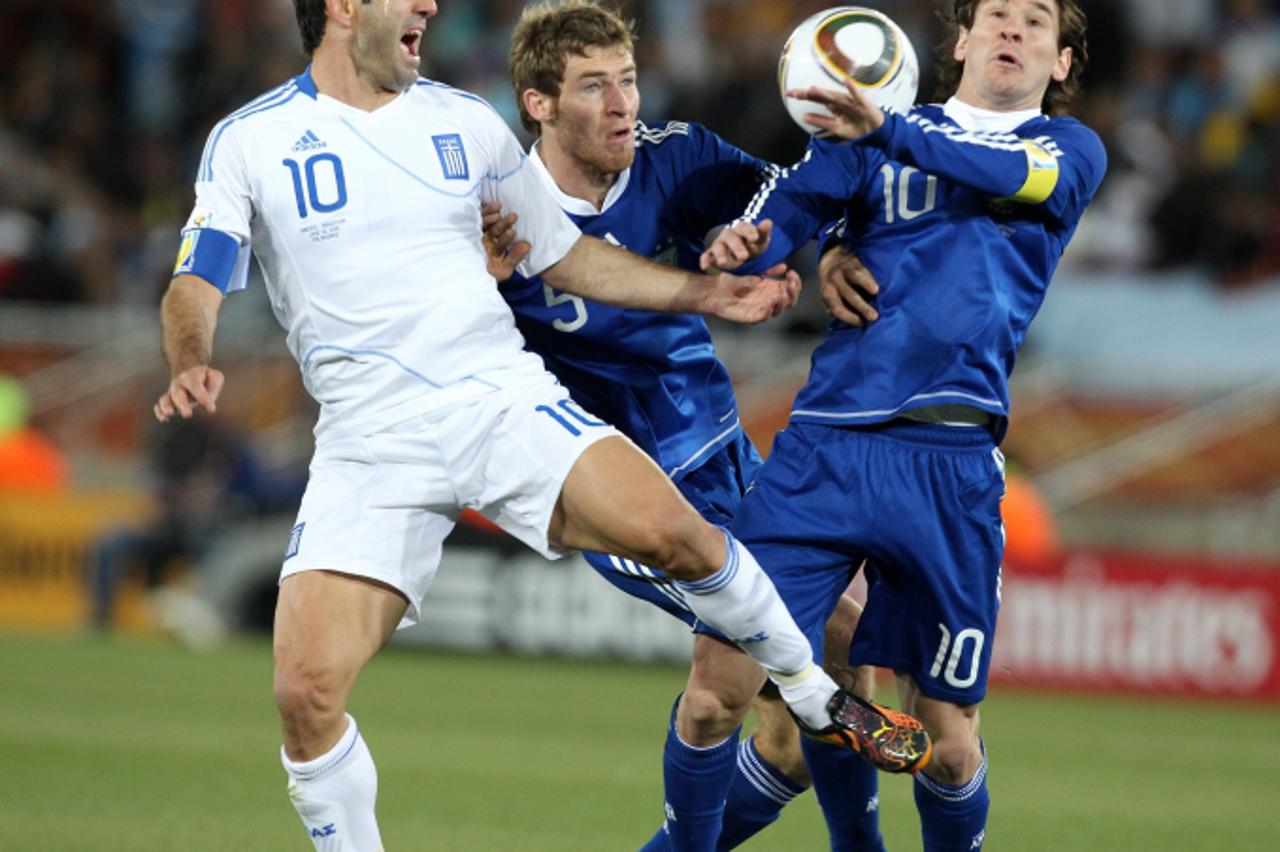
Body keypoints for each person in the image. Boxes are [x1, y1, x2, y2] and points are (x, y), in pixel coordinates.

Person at [151, 2, 927, 849]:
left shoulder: (487, 126)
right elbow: (200, 275)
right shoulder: (255, 140)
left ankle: (816, 710)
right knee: (305, 692)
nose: (429, 6)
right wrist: (190, 356)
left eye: (627, 81)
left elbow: (582, 249)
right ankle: (811, 708)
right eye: (595, 86)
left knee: (774, 668)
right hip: (382, 441)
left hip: (545, 412)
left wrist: (761, 272)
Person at [489, 4, 912, 851]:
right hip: (612, 484)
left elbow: (797, 203)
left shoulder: (675, 156)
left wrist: (824, 249)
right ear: (539, 104)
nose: (623, 104)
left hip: (720, 451)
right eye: (594, 86)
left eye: (628, 80)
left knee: (795, 729)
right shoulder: (494, 216)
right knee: (759, 668)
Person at [699, 0, 1107, 849]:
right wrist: (755, 243)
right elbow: (798, 201)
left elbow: (1013, 176)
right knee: (719, 692)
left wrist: (884, 131)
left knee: (949, 751)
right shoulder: (875, 129)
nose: (1013, 29)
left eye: (1036, 22)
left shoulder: (1066, 151)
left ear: (1062, 61)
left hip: (949, 460)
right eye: (997, 13)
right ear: (961, 39)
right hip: (825, 448)